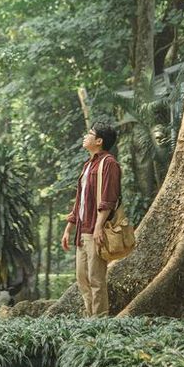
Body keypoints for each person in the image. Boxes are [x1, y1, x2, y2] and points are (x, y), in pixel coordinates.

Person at [61, 122, 120, 316]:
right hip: (81, 231)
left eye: (90, 134)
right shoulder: (87, 165)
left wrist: (98, 227)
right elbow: (80, 201)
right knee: (82, 279)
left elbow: (108, 199)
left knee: (96, 279)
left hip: (95, 230)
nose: (85, 136)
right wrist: (68, 229)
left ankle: (100, 322)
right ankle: (89, 319)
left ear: (99, 141)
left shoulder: (109, 163)